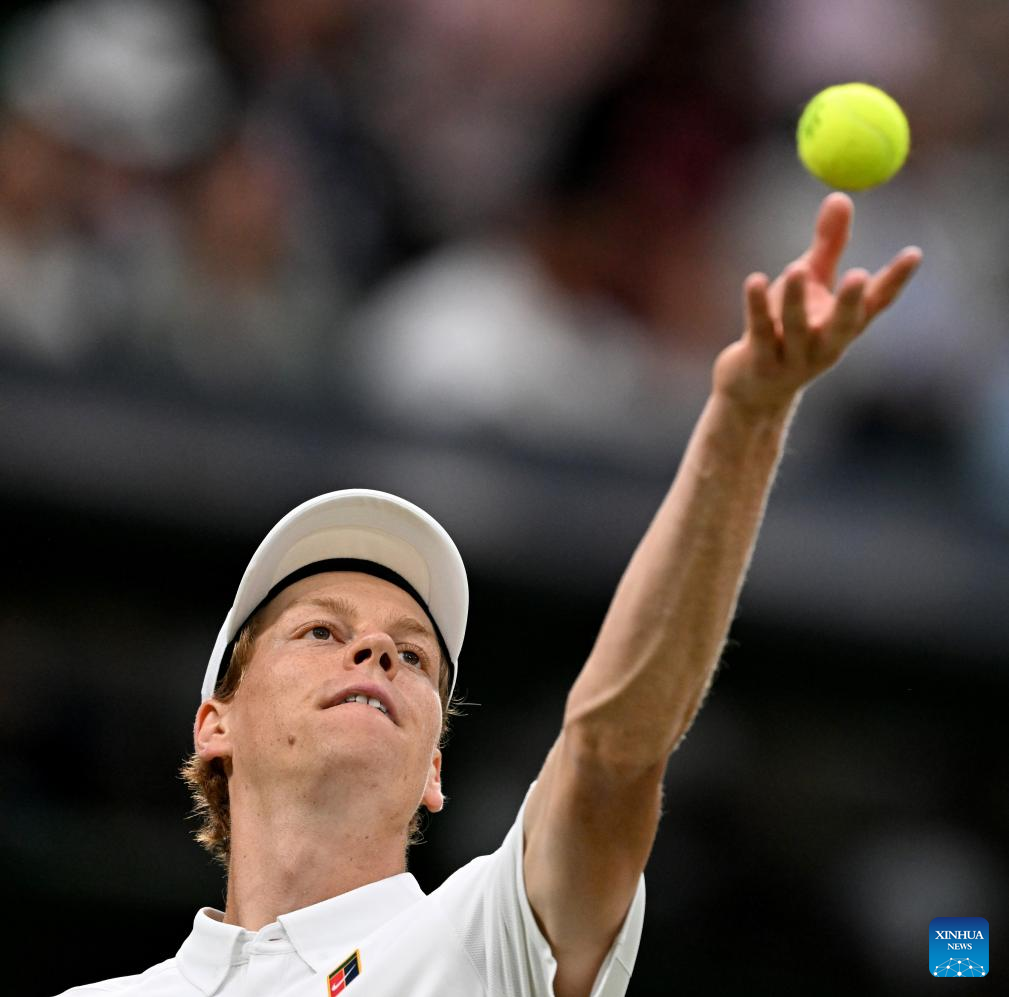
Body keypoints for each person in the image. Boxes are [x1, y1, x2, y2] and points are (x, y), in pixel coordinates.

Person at [58, 192, 922, 997]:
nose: (377, 651)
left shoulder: (483, 937)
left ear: (433, 769)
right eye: (321, 631)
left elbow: (612, 751)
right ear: (216, 723)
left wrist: (746, 420)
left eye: (413, 656)